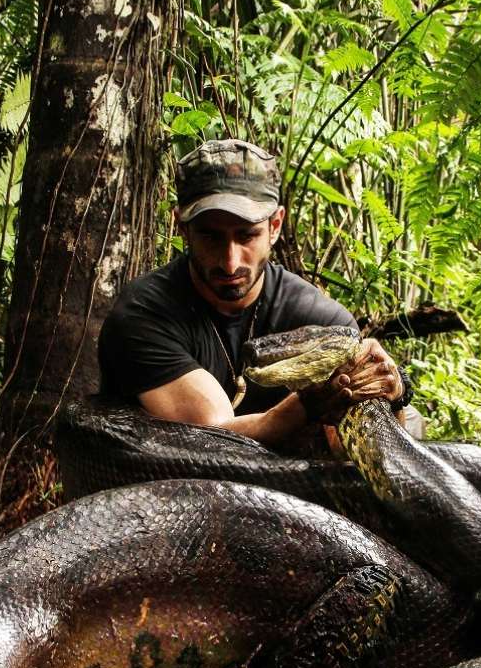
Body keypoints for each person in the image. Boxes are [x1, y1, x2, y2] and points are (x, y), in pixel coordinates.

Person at [98, 138, 412, 446]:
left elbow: (372, 450)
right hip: (162, 485)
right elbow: (211, 438)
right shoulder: (142, 316)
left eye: (247, 235)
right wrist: (304, 406)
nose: (231, 262)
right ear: (182, 227)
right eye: (211, 237)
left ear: (275, 226)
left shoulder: (321, 320)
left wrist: (394, 393)